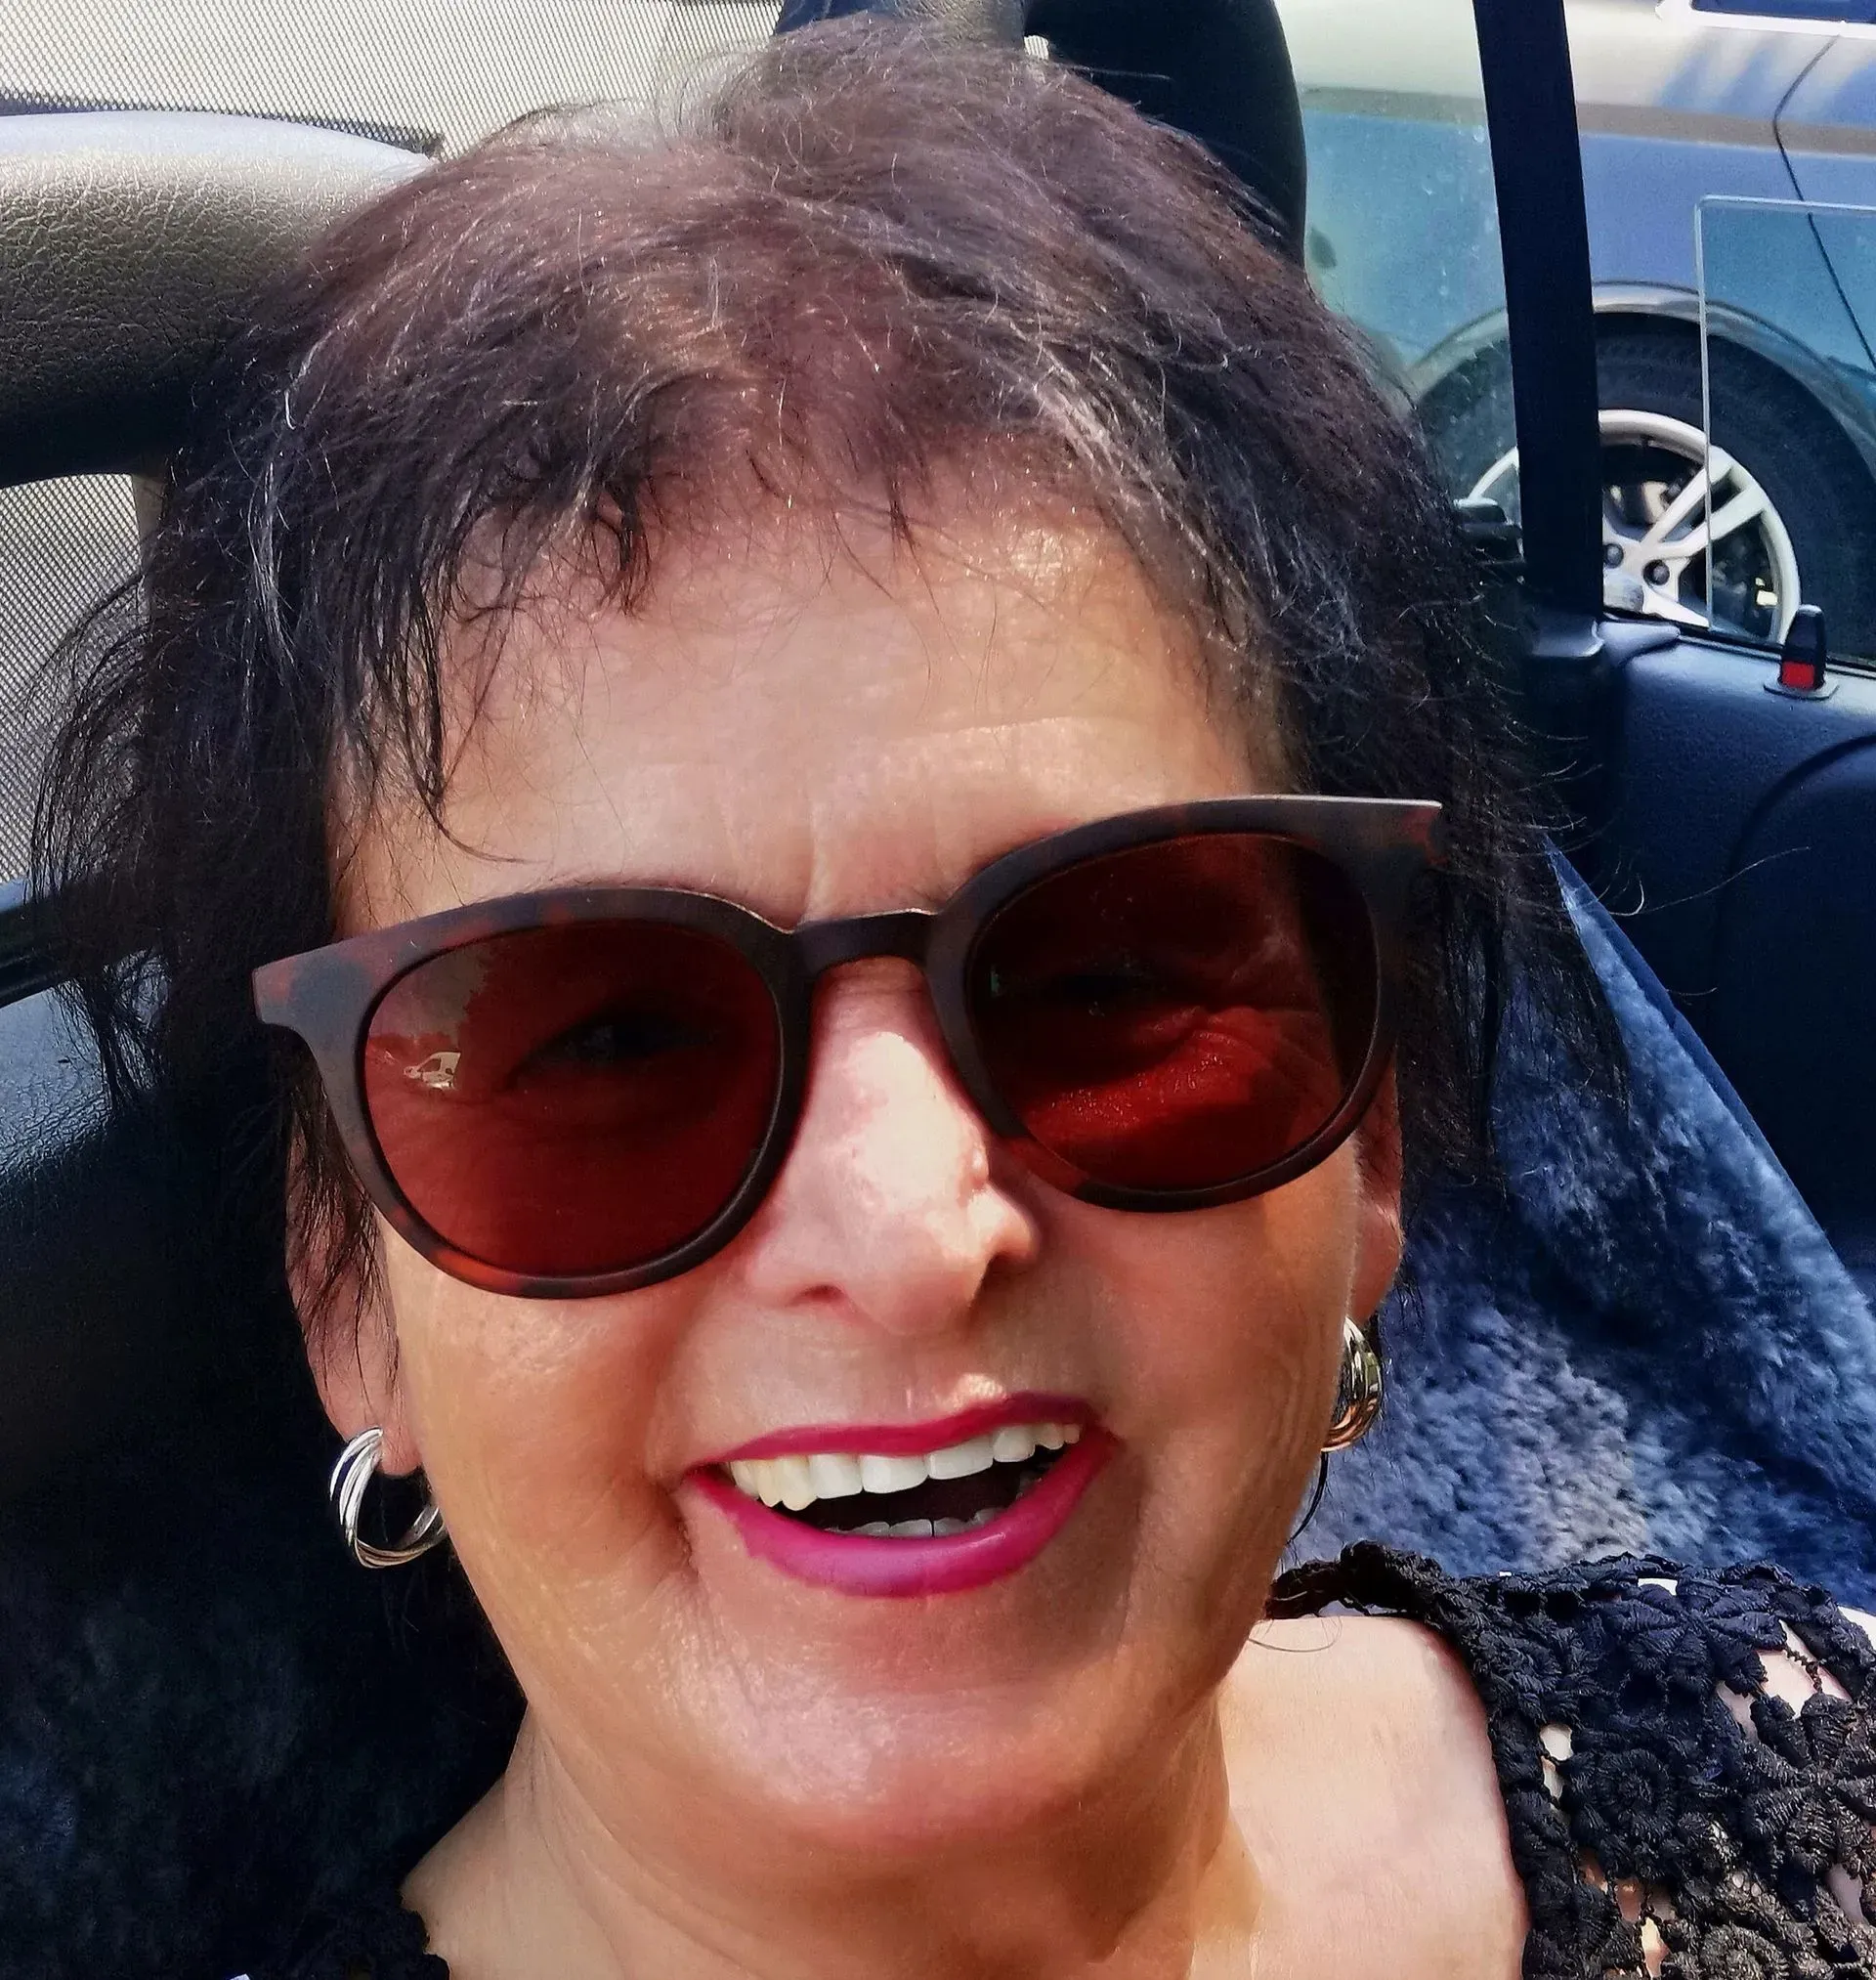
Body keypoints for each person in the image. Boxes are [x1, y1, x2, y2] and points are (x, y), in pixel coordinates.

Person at [33, 22, 1876, 1980]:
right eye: (609, 1041)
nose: (912, 1233)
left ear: (1370, 1142)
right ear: (347, 1284)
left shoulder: (1796, 1762)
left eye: (1111, 977)